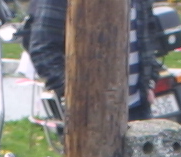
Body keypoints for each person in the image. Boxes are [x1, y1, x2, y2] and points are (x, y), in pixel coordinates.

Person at [25, 0, 166, 121]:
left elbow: (149, 35)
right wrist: (74, 93)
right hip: (88, 117)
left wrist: (149, 81)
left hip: (137, 108)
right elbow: (44, 50)